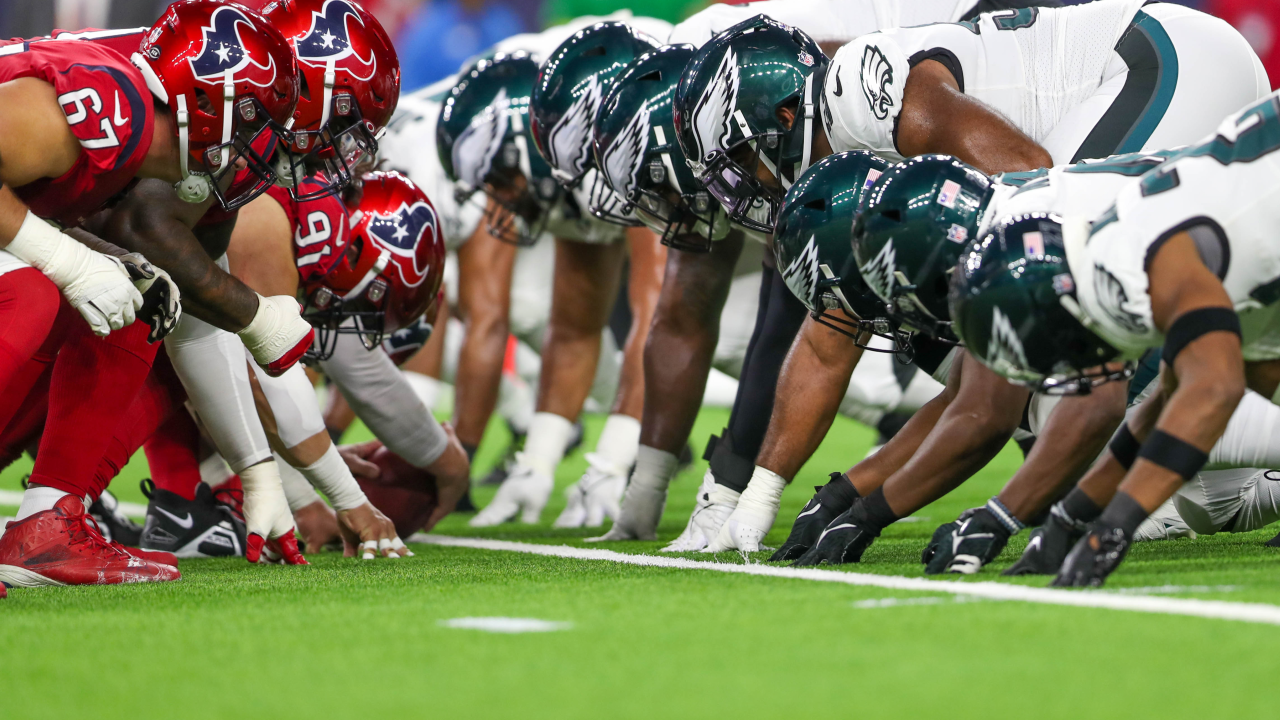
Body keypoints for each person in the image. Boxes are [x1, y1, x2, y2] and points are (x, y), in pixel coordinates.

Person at [0, 1, 311, 588]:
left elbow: (200, 329)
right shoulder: (116, 105)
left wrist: (257, 471)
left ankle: (47, 525)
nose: (257, 147)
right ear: (205, 103)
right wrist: (66, 259)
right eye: (253, 121)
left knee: (144, 293)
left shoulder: (133, 140)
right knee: (36, 292)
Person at [949, 91, 1280, 585]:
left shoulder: (1131, 263)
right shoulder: (1116, 254)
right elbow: (1172, 399)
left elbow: (1215, 391)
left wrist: (1114, 527)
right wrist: (1070, 518)